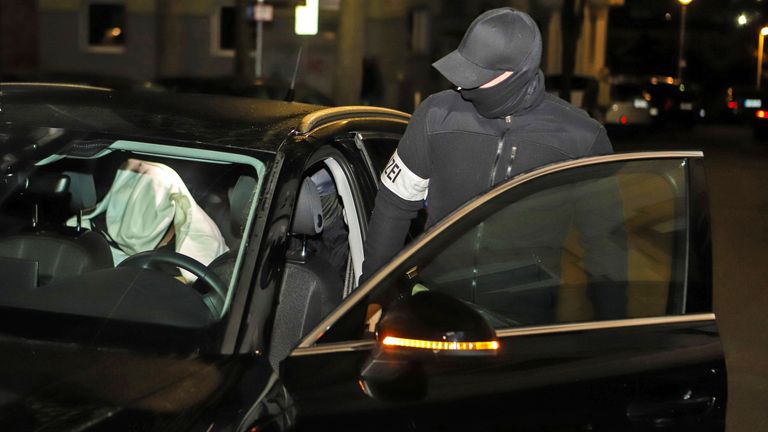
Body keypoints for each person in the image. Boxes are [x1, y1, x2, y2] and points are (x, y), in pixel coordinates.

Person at [361, 7, 616, 283]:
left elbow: (605, 243)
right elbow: (393, 206)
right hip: (437, 302)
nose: (460, 87)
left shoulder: (582, 138)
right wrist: (370, 295)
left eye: (476, 75)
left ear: (518, 72)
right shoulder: (435, 115)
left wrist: (615, 319)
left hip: (524, 313)